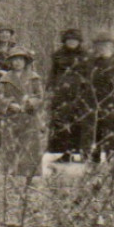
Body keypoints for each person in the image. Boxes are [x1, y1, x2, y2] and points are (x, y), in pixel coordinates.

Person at [82, 31, 114, 164]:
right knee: (95, 129)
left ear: (112, 46)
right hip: (94, 100)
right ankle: (95, 156)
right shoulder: (90, 61)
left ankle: (111, 154)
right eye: (100, 45)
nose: (102, 48)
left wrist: (110, 61)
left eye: (106, 45)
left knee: (112, 128)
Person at [0, 47, 46, 178]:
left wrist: (30, 102)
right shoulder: (5, 79)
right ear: (10, 62)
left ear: (25, 62)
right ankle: (10, 171)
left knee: (30, 145)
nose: (17, 63)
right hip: (12, 117)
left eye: (20, 60)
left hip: (29, 116)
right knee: (11, 144)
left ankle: (30, 173)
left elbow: (40, 96)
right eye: (14, 60)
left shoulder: (34, 77)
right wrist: (9, 104)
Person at [47, 28, 87, 162]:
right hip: (62, 94)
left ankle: (83, 152)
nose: (72, 42)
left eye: (74, 40)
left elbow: (90, 74)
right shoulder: (58, 55)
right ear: (64, 41)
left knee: (81, 123)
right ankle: (66, 152)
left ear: (79, 41)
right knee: (62, 124)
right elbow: (53, 73)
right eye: (69, 40)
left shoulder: (86, 55)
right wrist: (50, 88)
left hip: (81, 94)